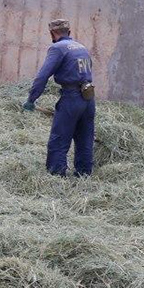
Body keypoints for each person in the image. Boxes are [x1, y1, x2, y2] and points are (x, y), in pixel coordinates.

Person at [23, 18, 96, 176]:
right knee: (85, 138)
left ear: (52, 33)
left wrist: (31, 99)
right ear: (69, 32)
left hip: (71, 98)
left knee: (59, 139)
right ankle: (83, 174)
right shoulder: (82, 47)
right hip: (89, 97)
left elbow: (42, 77)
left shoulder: (58, 48)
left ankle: (56, 175)